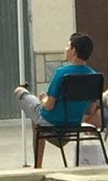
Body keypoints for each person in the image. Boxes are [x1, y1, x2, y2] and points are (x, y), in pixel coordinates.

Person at [13, 33, 102, 167]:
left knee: (19, 92)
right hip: (75, 124)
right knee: (35, 121)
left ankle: (38, 165)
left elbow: (48, 106)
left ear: (74, 50)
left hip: (51, 120)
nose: (65, 49)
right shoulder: (94, 76)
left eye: (68, 45)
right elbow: (90, 110)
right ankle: (49, 148)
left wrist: (42, 98)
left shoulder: (61, 73)